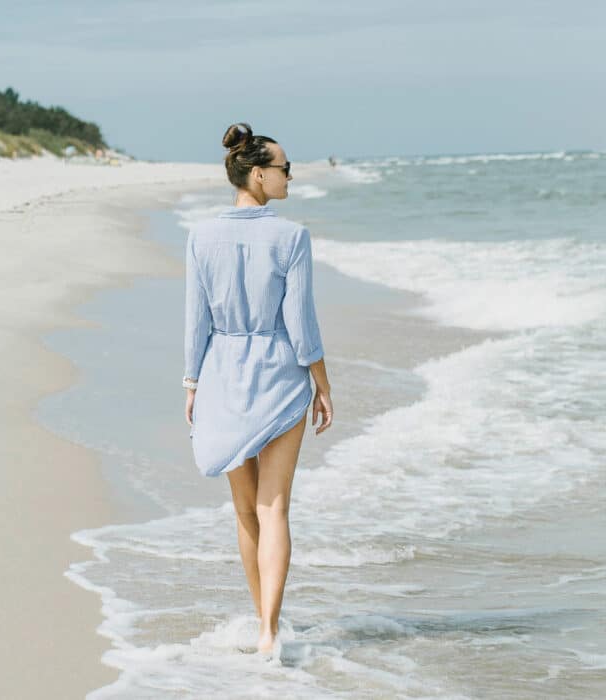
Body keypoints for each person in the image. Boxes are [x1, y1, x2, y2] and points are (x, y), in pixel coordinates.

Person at [182, 122, 334, 656]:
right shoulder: (291, 237)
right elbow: (301, 323)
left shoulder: (201, 237)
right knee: (276, 509)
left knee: (246, 511)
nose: (291, 176)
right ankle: (270, 629)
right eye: (285, 168)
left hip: (223, 375)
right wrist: (322, 383)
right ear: (259, 173)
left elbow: (195, 321)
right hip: (278, 374)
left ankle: (259, 621)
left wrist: (192, 382)